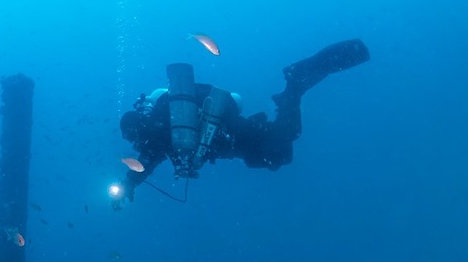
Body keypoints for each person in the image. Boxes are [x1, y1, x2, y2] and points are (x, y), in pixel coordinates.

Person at [114, 39, 370, 201]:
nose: (134, 144)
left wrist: (129, 183)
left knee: (284, 142)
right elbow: (148, 161)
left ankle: (293, 81)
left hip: (231, 133)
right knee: (281, 151)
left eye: (131, 136)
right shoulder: (161, 129)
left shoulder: (158, 127)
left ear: (137, 125)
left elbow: (147, 160)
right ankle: (292, 89)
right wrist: (130, 182)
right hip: (232, 139)